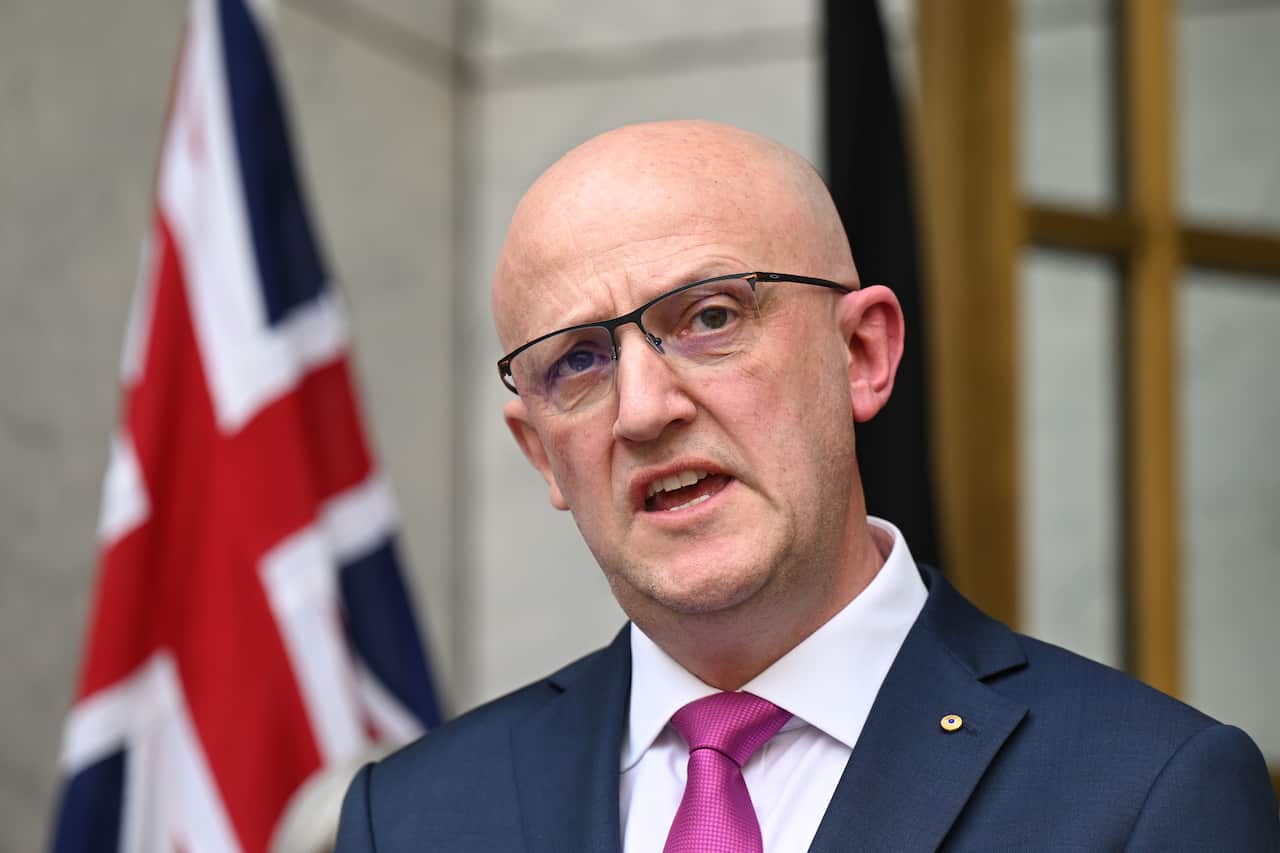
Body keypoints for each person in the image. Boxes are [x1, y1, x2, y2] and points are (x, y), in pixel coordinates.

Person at [336, 120, 1279, 851]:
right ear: (542, 452)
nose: (643, 409)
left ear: (863, 353)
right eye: (577, 361)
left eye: (708, 315)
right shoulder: (415, 817)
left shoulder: (1147, 791)